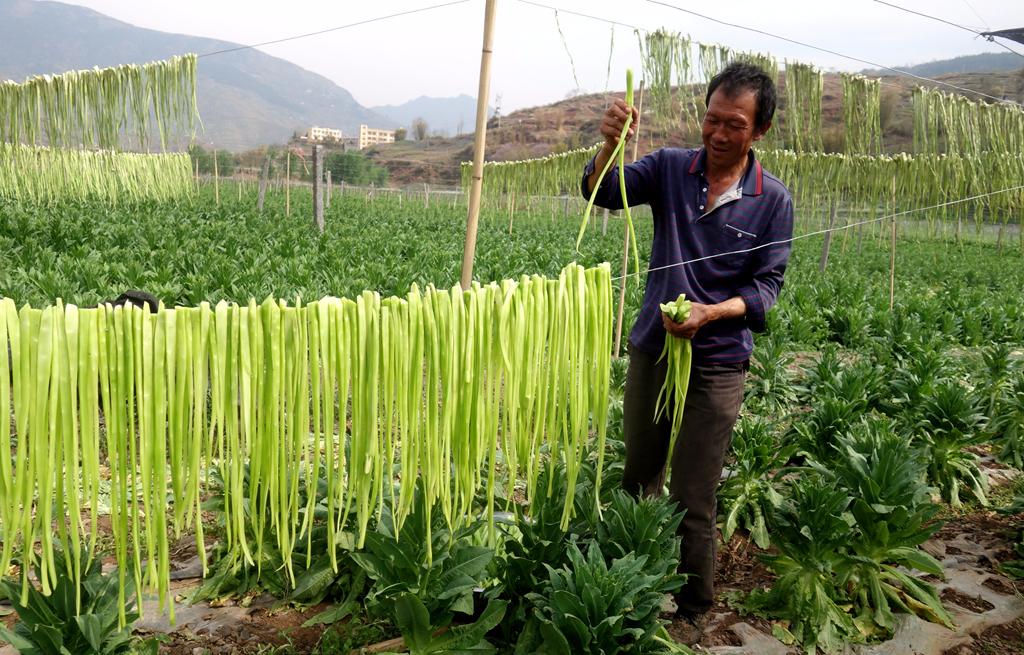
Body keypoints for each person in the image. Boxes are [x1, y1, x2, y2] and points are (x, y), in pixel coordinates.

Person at [581, 62, 793, 646]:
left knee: (694, 493)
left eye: (735, 124)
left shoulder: (771, 200)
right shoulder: (673, 168)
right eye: (711, 119)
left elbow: (765, 289)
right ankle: (628, 585)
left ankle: (695, 606)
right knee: (638, 473)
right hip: (654, 347)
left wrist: (709, 313)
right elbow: (604, 194)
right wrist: (608, 146)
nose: (719, 134)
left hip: (720, 361)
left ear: (761, 130)